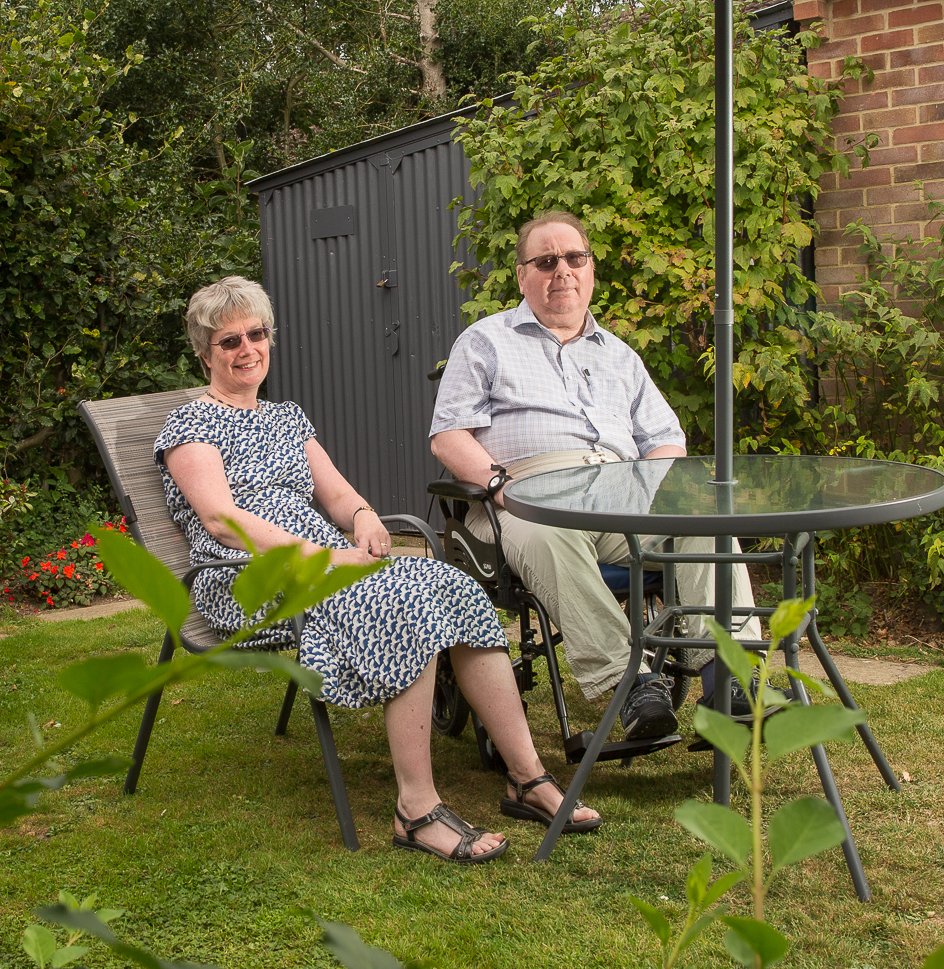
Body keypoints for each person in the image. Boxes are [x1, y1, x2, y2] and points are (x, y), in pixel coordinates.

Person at [156, 275, 599, 863]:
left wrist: (363, 516)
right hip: (247, 574)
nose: (246, 350)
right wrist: (319, 556)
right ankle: (416, 811)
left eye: (256, 334)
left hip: (325, 567)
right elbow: (219, 519)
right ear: (205, 352)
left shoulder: (286, 417)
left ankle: (526, 775)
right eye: (229, 341)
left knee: (453, 586)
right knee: (406, 601)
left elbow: (336, 497)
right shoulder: (191, 425)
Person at [429, 211, 758, 741]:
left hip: (619, 495)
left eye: (574, 258)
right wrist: (499, 485)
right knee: (550, 534)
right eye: (546, 261)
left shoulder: (620, 356)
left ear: (591, 270)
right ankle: (632, 687)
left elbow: (666, 438)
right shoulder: (486, 341)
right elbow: (448, 435)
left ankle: (733, 681)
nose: (562, 271)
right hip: (522, 498)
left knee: (704, 522)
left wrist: (647, 486)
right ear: (522, 276)